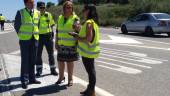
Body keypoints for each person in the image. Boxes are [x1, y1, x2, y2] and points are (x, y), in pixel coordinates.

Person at [69, 4, 100, 96]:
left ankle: (91, 91)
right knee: (91, 71)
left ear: (88, 11)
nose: (83, 12)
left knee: (91, 72)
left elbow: (88, 38)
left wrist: (76, 36)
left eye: (84, 10)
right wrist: (78, 30)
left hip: (88, 52)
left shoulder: (89, 23)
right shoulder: (93, 22)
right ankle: (90, 89)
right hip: (90, 51)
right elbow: (87, 35)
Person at [14, 0, 41, 89]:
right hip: (24, 40)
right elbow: (16, 25)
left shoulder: (38, 12)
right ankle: (24, 80)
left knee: (33, 59)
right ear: (26, 3)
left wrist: (36, 33)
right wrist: (21, 35)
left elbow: (38, 25)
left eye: (33, 2)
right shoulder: (20, 12)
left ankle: (32, 78)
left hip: (35, 39)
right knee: (25, 60)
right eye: (31, 2)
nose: (33, 4)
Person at [55, 1, 79, 87]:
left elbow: (78, 31)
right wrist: (56, 42)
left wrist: (77, 28)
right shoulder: (60, 17)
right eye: (67, 7)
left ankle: (70, 79)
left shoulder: (75, 18)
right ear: (64, 8)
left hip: (71, 44)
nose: (68, 9)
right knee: (60, 62)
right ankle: (61, 77)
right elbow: (57, 31)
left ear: (72, 8)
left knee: (70, 63)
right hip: (61, 44)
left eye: (70, 7)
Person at [35, 1, 58, 76]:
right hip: (39, 37)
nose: (42, 9)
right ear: (37, 8)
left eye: (43, 7)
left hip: (48, 36)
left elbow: (52, 24)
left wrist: (52, 34)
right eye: (41, 8)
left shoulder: (48, 14)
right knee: (38, 54)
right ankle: (39, 70)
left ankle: (53, 69)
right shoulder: (35, 15)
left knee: (51, 54)